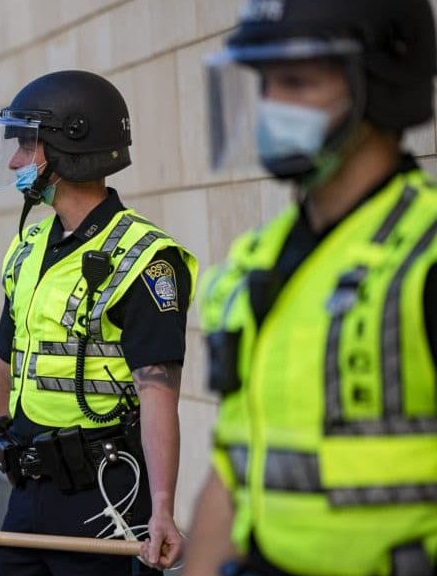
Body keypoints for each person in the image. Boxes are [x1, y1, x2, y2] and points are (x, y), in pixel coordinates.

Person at [184, 1, 437, 575]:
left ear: (380, 80)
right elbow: (234, 470)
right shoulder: (258, 258)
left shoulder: (424, 255)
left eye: (297, 81)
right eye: (265, 83)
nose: (273, 107)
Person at [0, 69, 198, 575]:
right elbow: (4, 374)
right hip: (27, 493)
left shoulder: (145, 259)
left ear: (68, 144)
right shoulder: (29, 248)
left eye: (25, 146)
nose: (13, 161)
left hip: (105, 501)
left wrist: (162, 506)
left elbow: (158, 392)